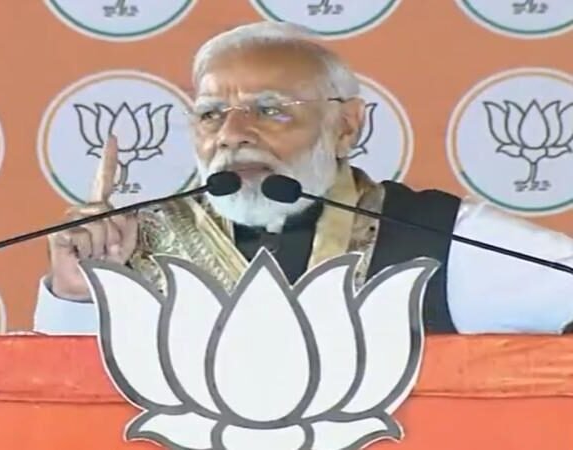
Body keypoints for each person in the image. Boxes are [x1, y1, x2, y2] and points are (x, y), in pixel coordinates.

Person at [33, 21, 573, 335]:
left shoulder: (437, 236)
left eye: (270, 110)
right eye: (211, 114)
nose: (232, 135)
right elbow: (58, 403)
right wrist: (76, 294)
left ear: (346, 125)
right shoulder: (132, 241)